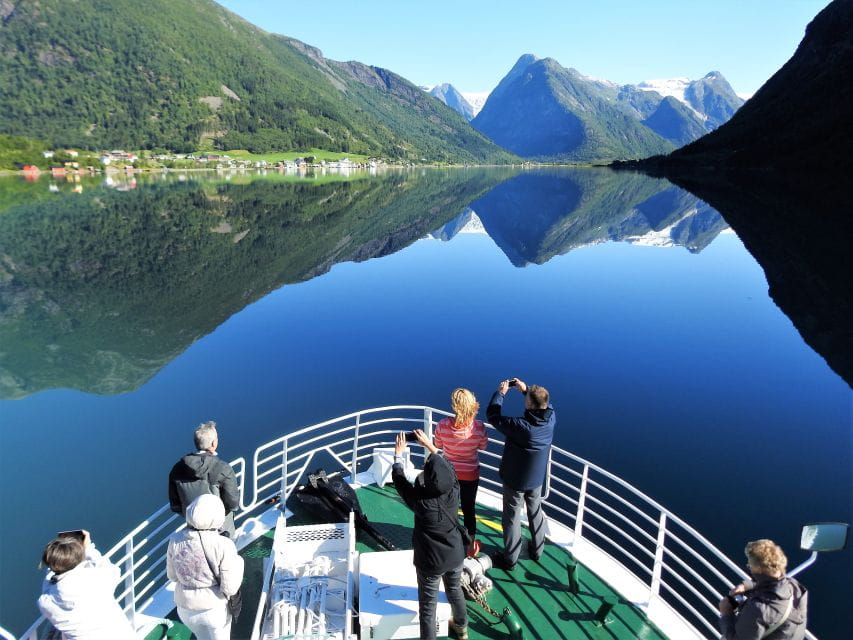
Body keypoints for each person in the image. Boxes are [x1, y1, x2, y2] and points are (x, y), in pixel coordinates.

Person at [392, 430, 469, 640]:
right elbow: (448, 468)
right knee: (455, 591)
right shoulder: (454, 489)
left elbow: (400, 481)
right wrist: (430, 446)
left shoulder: (420, 501)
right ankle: (462, 628)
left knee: (428, 607)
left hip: (430, 561)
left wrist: (398, 456)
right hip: (455, 554)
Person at [486, 377, 555, 570]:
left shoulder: (521, 426)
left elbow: (493, 416)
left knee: (512, 517)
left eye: (528, 399)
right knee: (535, 512)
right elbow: (546, 405)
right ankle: (537, 550)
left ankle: (510, 559)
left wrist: (500, 394)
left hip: (515, 480)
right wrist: (526, 390)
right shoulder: (551, 419)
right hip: (536, 479)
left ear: (531, 404)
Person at [167, 494, 244, 640]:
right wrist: (239, 563)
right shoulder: (224, 545)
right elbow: (230, 588)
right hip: (213, 610)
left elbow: (172, 576)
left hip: (185, 610)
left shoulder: (175, 540)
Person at [37, 530, 136, 640]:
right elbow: (111, 569)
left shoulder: (46, 601)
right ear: (79, 558)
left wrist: (54, 564)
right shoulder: (100, 580)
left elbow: (49, 583)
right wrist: (88, 548)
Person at [719, 539, 808, 640]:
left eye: (749, 566)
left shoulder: (759, 609)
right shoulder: (794, 586)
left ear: (759, 569)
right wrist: (746, 586)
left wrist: (726, 613)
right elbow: (772, 585)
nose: (749, 568)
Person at [433, 388, 488, 545]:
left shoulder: (442, 425)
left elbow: (438, 444)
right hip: (470, 475)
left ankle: (446, 540)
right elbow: (483, 446)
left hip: (448, 473)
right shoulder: (479, 427)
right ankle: (469, 543)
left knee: (447, 507)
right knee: (468, 509)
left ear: (454, 406)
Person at [169, 420, 239, 538]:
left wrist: (195, 518)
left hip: (193, 527)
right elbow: (233, 504)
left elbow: (175, 505)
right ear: (213, 444)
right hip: (220, 529)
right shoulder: (223, 469)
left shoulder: (177, 469)